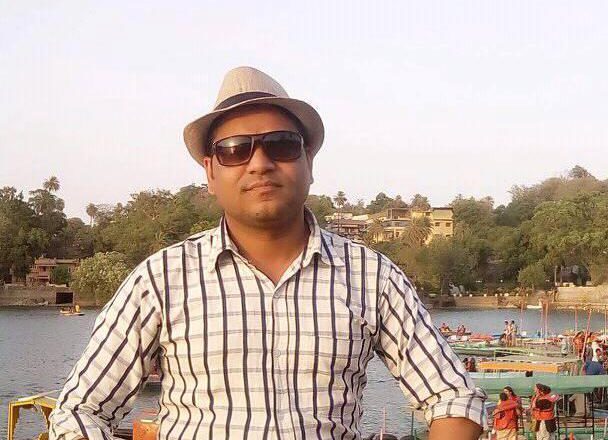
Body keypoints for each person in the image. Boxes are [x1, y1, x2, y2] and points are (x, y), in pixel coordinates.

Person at [48, 67, 486, 440]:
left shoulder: (372, 277)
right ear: (210, 173)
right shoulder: (162, 280)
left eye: (280, 145)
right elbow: (79, 411)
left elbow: (453, 397)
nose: (259, 163)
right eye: (235, 150)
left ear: (308, 161)